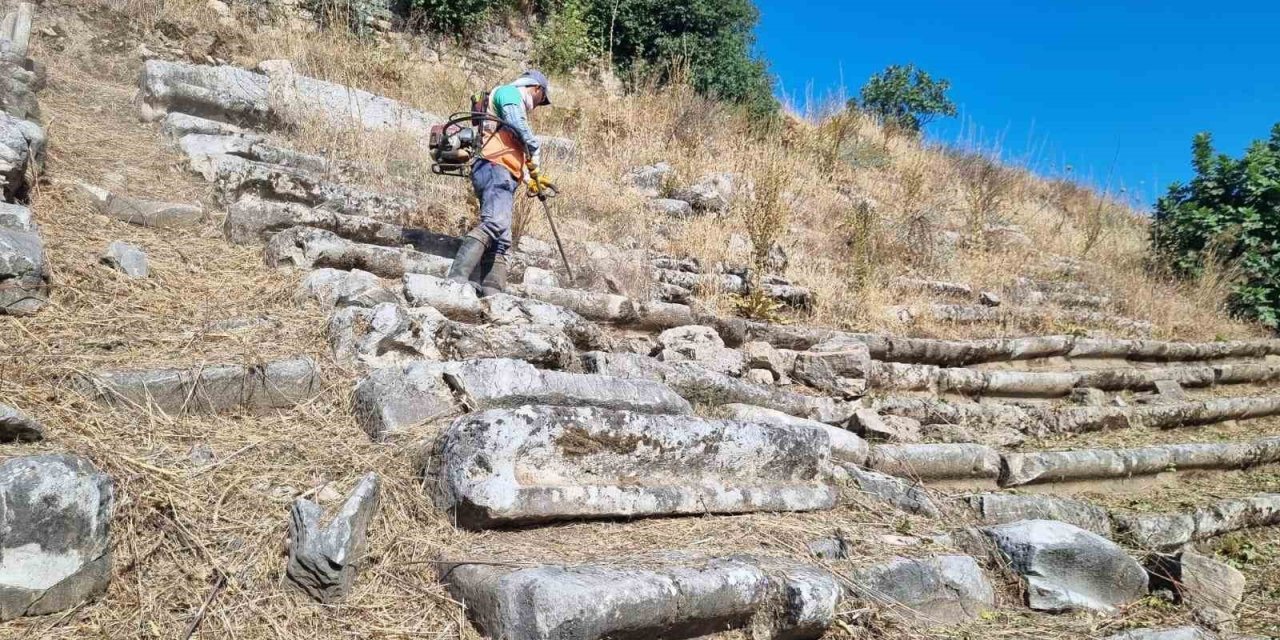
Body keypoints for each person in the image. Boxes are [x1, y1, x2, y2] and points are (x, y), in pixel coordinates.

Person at [445, 69, 555, 296]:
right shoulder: (509, 93)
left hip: (503, 171)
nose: (538, 104)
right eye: (541, 99)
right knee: (494, 223)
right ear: (536, 88)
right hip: (494, 167)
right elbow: (518, 125)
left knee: (501, 238)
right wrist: (535, 147)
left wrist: (530, 179)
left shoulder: (513, 104)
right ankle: (456, 279)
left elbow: (514, 146)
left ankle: (492, 292)